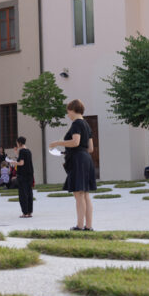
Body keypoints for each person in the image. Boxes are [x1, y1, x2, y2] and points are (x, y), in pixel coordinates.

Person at [49, 99, 96, 231]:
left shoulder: (76, 123)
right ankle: (89, 226)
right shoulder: (87, 125)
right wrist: (69, 150)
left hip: (78, 161)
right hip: (86, 159)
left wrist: (58, 143)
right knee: (85, 194)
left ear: (73, 110)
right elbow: (90, 148)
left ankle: (80, 226)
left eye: (68, 112)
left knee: (78, 194)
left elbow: (75, 142)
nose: (68, 115)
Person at [15, 136, 34, 218]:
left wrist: (13, 162)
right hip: (29, 175)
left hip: (23, 175)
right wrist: (17, 153)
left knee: (23, 194)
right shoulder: (28, 151)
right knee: (29, 193)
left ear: (19, 143)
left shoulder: (22, 151)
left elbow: (21, 163)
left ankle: (25, 213)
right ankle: (29, 212)